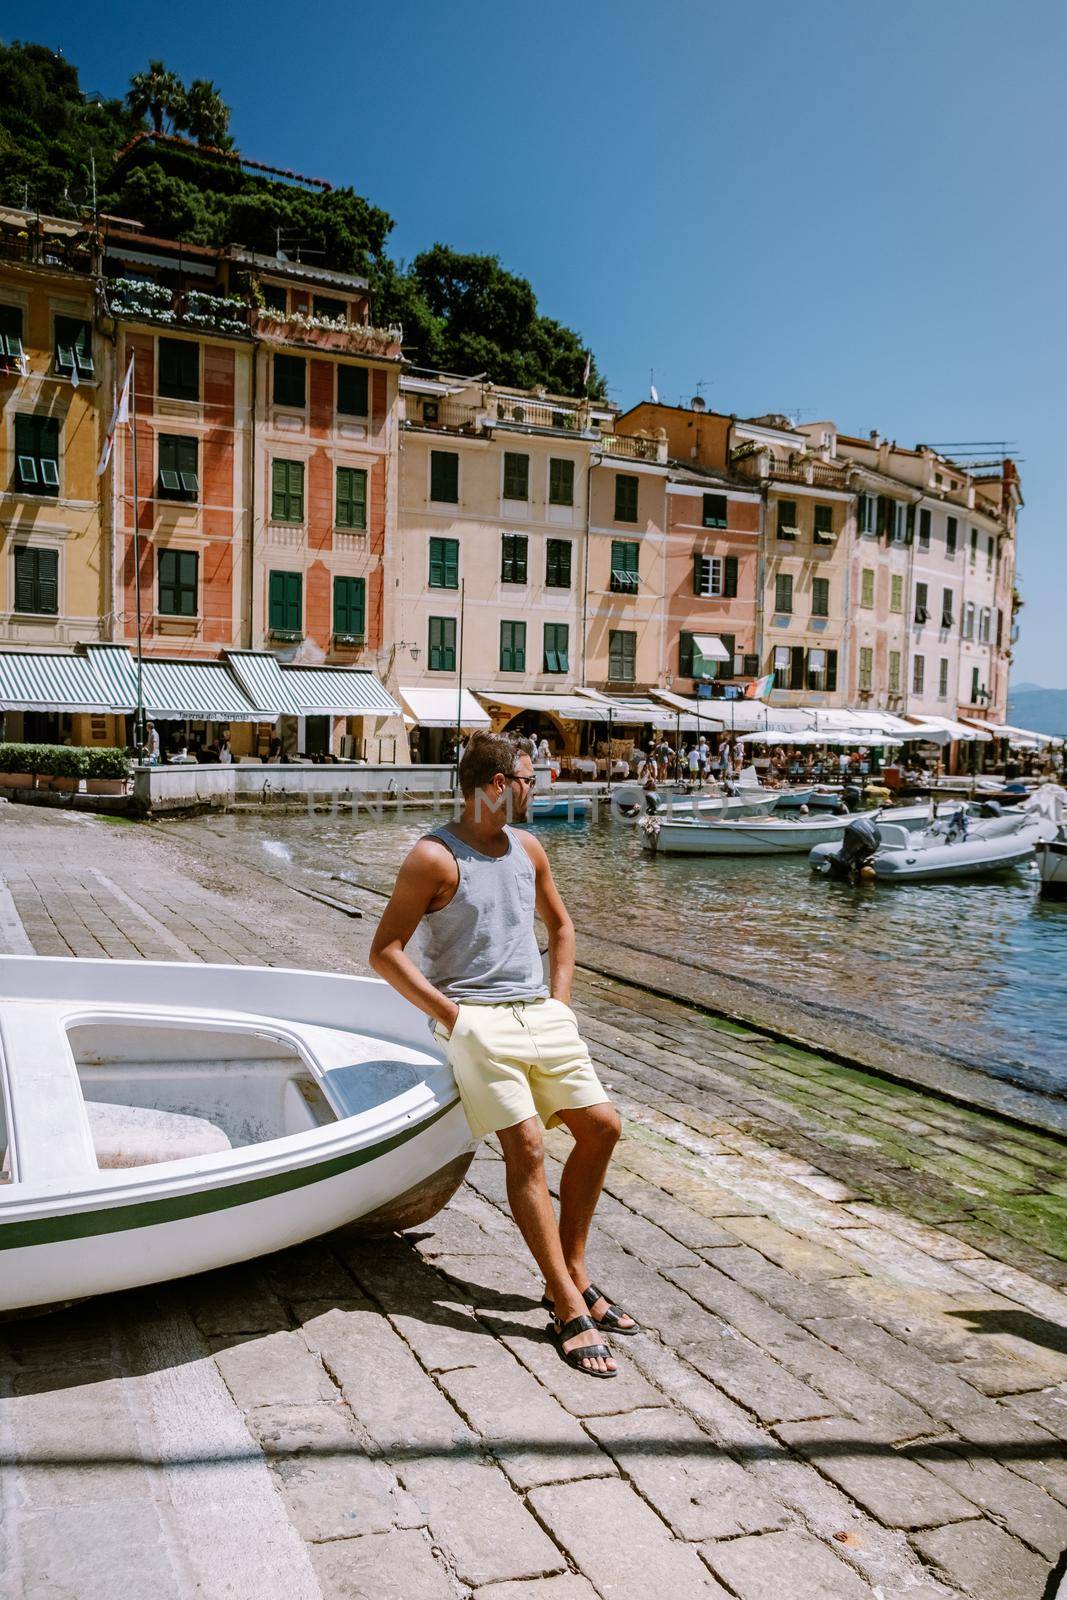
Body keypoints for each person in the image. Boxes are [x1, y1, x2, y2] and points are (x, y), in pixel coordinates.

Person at [370, 731, 637, 1378]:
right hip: (475, 1020)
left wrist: (560, 1002)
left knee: (602, 1128)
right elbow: (385, 952)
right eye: (526, 778)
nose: (533, 787)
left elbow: (561, 927)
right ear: (496, 785)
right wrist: (456, 1019)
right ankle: (568, 1304)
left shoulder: (529, 848)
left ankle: (567, 1274)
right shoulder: (433, 858)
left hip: (538, 1014)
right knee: (526, 1146)